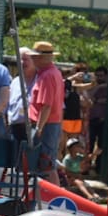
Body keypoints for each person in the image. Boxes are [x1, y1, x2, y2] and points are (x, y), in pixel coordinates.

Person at [28, 41, 66, 181]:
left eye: (35, 56)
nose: (32, 59)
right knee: (47, 163)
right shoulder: (53, 73)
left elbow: (46, 105)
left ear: (42, 58)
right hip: (50, 124)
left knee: (46, 163)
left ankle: (53, 198)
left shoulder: (47, 76)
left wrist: (38, 128)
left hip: (46, 125)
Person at [7, 47, 34, 159]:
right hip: (14, 129)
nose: (22, 62)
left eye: (26, 59)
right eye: (20, 59)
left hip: (31, 129)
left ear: (33, 60)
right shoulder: (15, 82)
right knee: (15, 163)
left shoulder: (39, 80)